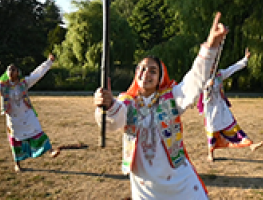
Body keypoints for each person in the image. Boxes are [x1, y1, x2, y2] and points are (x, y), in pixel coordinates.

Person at [94, 13, 227, 200]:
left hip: (178, 180)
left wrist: (211, 46)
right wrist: (105, 105)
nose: (145, 73)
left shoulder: (171, 98)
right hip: (145, 186)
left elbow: (194, 79)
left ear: (160, 78)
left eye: (152, 70)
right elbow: (112, 123)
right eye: (141, 68)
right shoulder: (126, 102)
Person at [0, 54, 60, 172]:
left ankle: (50, 151)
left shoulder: (24, 83)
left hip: (27, 114)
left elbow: (37, 74)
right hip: (13, 118)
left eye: (13, 69)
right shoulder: (2, 86)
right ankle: (17, 164)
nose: (11, 71)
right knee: (15, 140)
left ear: (18, 72)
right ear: (6, 72)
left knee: (37, 130)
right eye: (9, 69)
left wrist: (48, 62)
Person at [197, 48, 263, 162]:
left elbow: (232, 69)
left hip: (222, 107)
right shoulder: (203, 79)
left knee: (234, 127)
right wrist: (208, 87)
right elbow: (204, 98)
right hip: (211, 110)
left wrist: (245, 59)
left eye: (214, 65)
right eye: (211, 65)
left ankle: (250, 144)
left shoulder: (219, 75)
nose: (213, 67)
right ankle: (210, 154)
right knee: (212, 132)